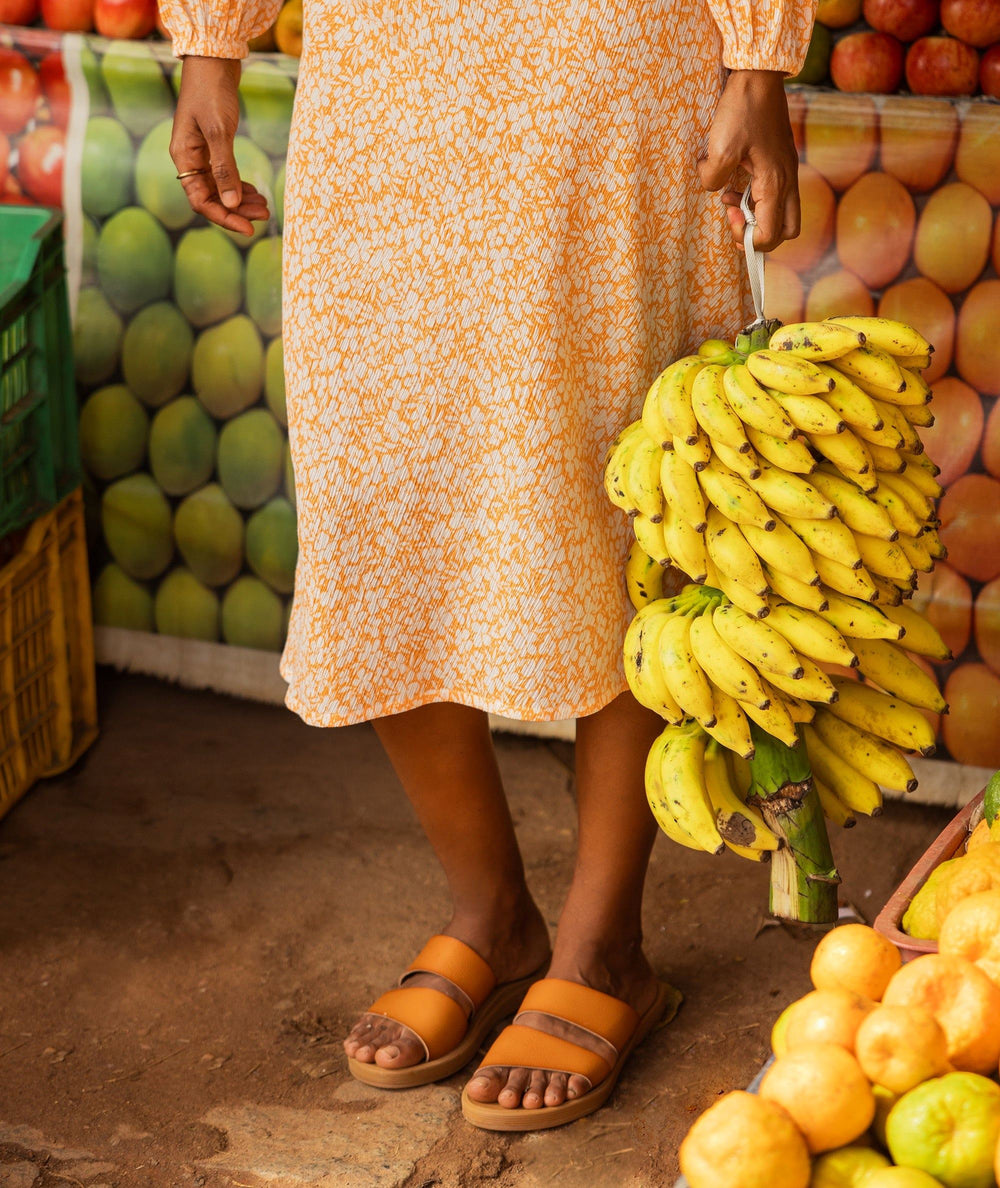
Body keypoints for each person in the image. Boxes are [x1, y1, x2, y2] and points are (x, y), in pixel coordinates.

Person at [163, 0, 813, 1131]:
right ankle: (491, 914)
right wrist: (211, 35)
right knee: (389, 496)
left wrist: (759, 52)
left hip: (610, 73)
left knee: (618, 495)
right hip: (387, 80)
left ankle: (604, 949)